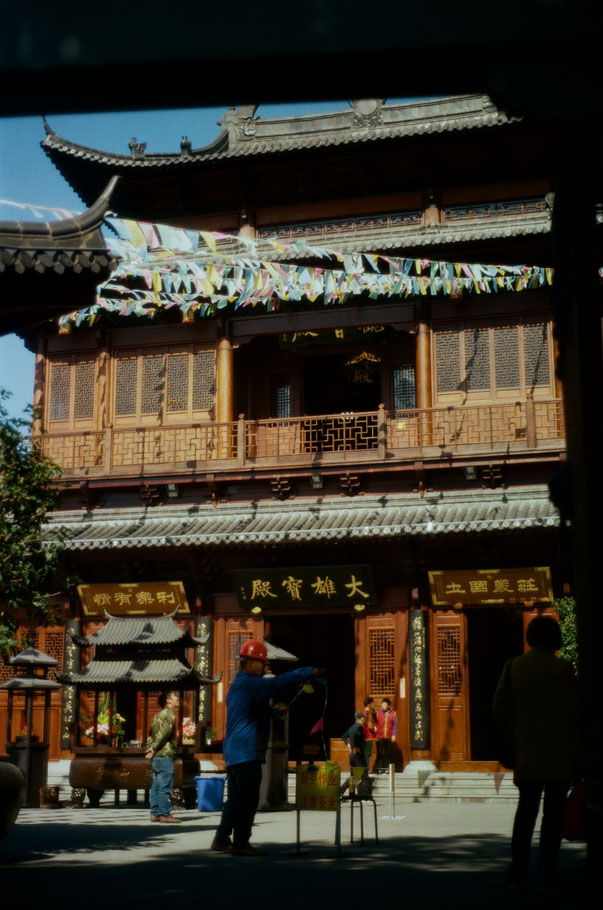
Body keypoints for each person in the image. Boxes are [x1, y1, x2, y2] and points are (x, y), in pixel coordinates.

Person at [212, 640, 326, 857]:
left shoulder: (238, 685)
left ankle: (221, 838)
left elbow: (252, 710)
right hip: (247, 751)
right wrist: (311, 672)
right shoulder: (251, 683)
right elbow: (280, 682)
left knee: (235, 799)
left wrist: (274, 710)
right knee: (247, 800)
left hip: (234, 751)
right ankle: (241, 843)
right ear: (252, 662)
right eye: (263, 664)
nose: (265, 668)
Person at [493, 615, 579, 889]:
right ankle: (547, 866)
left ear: (530, 638)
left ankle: (518, 867)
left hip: (526, 750)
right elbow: (575, 711)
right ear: (555, 638)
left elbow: (498, 708)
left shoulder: (513, 667)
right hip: (558, 751)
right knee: (554, 812)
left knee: (526, 810)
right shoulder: (564, 668)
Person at [145, 690, 181, 823]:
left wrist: (150, 748)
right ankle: (165, 814)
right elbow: (164, 734)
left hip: (157, 757)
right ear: (168, 700)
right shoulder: (169, 714)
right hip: (164, 754)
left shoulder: (157, 715)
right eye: (174, 697)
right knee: (165, 786)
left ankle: (155, 813)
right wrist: (153, 748)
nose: (177, 699)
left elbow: (150, 734)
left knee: (156, 785)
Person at [340, 710, 368, 795]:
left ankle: (343, 791)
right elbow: (357, 735)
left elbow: (344, 736)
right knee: (363, 776)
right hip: (357, 755)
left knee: (354, 776)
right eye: (364, 719)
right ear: (362, 718)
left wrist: (348, 744)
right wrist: (356, 746)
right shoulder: (359, 727)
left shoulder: (352, 727)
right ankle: (362, 795)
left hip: (352, 755)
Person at [374, 697, 397, 772]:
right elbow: (373, 721)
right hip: (379, 736)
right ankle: (380, 768)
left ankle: (387, 768)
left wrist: (394, 734)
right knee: (380, 753)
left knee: (387, 753)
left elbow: (395, 725)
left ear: (388, 705)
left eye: (384, 704)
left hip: (388, 736)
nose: (383, 705)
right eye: (382, 703)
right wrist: (374, 727)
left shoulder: (393, 713)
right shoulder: (377, 712)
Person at [362, 696, 378, 768]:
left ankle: (366, 768)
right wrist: (374, 729)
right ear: (368, 704)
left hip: (366, 735)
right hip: (368, 735)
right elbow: (370, 725)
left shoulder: (366, 712)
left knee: (366, 753)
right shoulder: (367, 712)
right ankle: (366, 769)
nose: (373, 705)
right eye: (372, 703)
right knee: (367, 753)